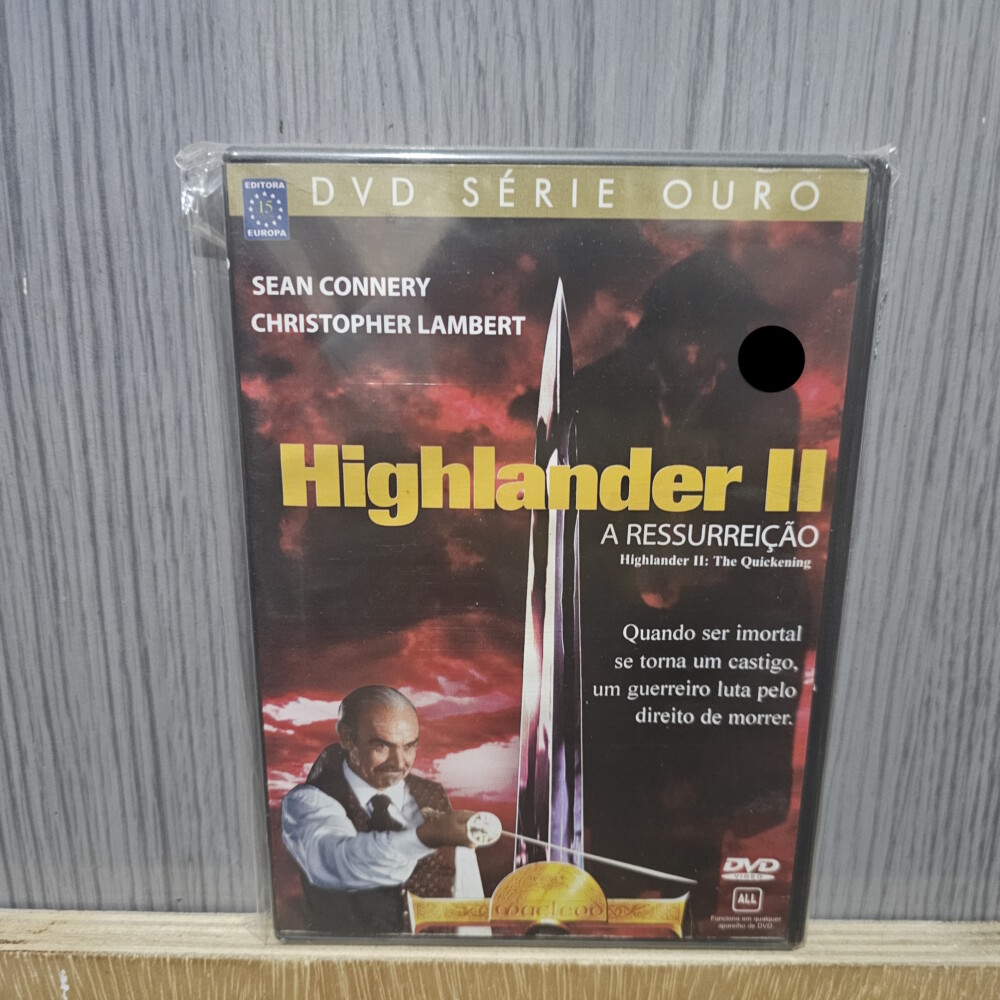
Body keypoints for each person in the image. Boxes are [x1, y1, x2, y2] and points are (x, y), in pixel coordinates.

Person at [282, 685, 484, 934]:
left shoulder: (433, 795)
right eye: (382, 746)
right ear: (346, 738)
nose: (399, 763)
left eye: (409, 746)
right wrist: (426, 837)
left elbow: (466, 898)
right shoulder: (308, 801)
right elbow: (340, 861)